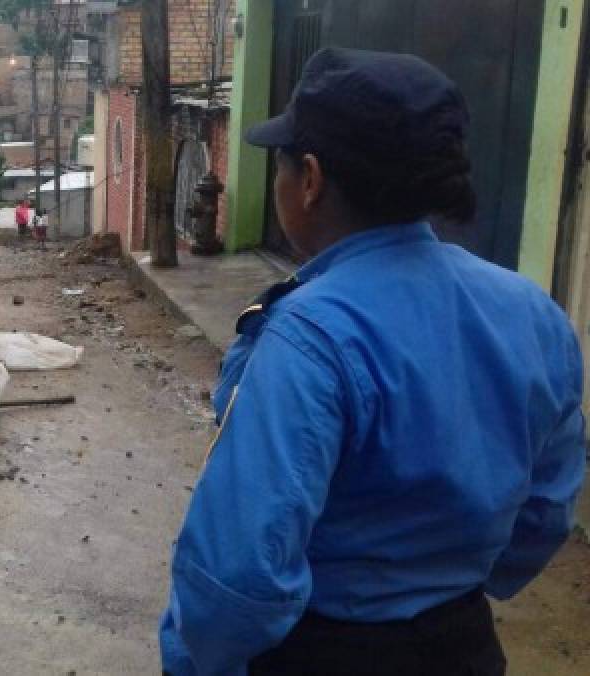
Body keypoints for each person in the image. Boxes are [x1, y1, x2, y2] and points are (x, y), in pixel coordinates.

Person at [160, 48, 585, 676]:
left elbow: (239, 574)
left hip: (324, 652)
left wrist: (194, 662)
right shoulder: (532, 313)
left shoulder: (309, 336)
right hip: (463, 644)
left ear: (309, 179)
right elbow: (547, 510)